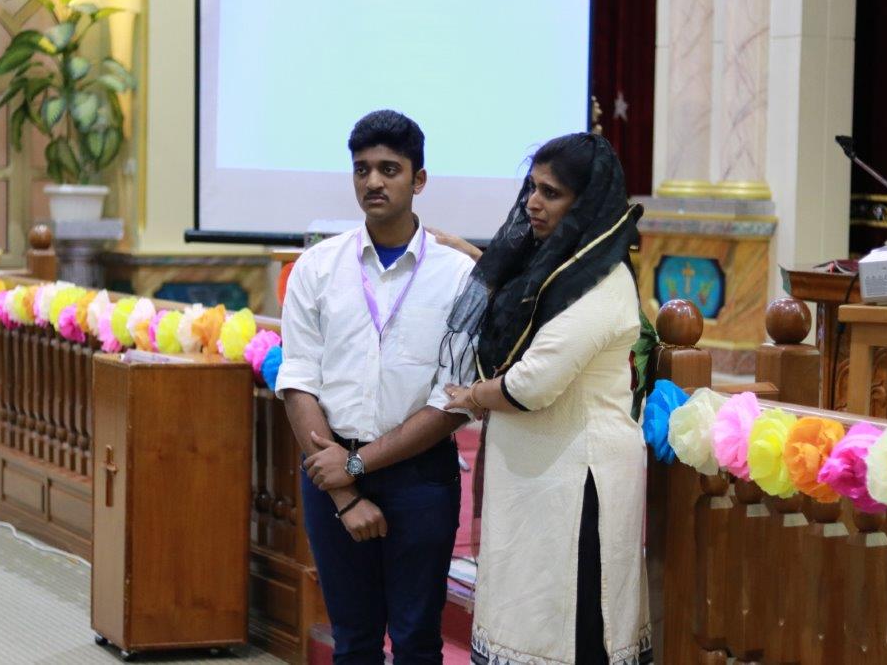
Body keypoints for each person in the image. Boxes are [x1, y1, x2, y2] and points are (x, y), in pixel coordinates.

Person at [443, 133, 652, 664]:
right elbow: (520, 314)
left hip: (579, 482)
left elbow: (530, 384)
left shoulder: (602, 281)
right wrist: (476, 259)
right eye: (532, 187)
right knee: (528, 615)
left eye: (551, 193)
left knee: (568, 629)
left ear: (585, 205)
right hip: (540, 472)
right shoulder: (558, 269)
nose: (533, 202)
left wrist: (472, 395)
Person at [275, 109, 476, 664]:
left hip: (420, 478)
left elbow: (453, 399)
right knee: (354, 641)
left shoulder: (456, 275)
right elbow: (299, 380)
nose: (373, 182)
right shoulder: (317, 267)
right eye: (362, 169)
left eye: (390, 169)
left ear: (419, 179)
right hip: (330, 467)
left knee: (416, 642)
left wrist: (358, 466)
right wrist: (343, 490)